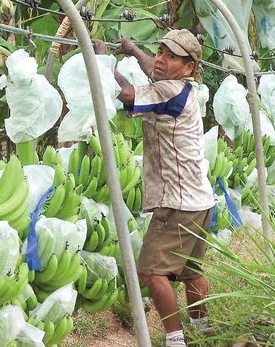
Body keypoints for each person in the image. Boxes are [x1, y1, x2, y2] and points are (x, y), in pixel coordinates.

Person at [93, 29, 215, 347]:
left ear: (188, 67)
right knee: (190, 270)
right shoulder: (182, 86)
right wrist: (133, 50)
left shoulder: (170, 93)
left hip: (178, 202)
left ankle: (175, 341)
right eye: (160, 51)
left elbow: (129, 95)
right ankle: (204, 330)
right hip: (200, 198)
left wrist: (104, 62)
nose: (160, 60)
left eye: (171, 56)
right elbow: (153, 69)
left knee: (151, 272)